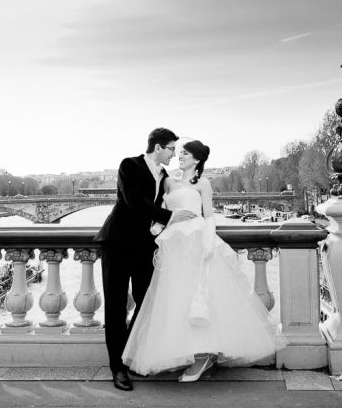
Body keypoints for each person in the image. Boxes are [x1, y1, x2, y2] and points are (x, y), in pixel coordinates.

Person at [121, 139, 285, 382]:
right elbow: (161, 210)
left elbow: (208, 217)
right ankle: (188, 353)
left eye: (185, 153)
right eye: (179, 152)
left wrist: (209, 243)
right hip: (174, 244)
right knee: (176, 297)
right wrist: (157, 228)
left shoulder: (204, 184)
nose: (180, 156)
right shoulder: (167, 181)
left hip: (197, 241)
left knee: (200, 295)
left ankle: (203, 355)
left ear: (197, 159)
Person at [94, 127, 195, 392]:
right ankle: (118, 368)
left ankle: (130, 352)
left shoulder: (163, 175)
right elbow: (134, 202)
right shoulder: (129, 165)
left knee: (147, 301)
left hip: (143, 246)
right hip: (116, 243)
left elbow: (160, 204)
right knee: (115, 307)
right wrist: (171, 218)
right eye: (171, 148)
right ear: (158, 147)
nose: (174, 154)